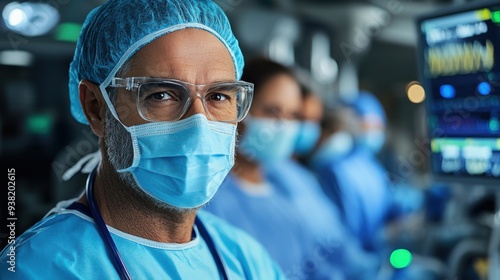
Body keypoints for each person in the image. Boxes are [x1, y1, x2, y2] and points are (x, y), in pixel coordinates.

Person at [0, 1, 285, 279]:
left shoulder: (242, 256)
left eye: (218, 96)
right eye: (161, 95)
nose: (199, 124)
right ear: (96, 109)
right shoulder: (37, 268)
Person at [205, 59, 377, 280]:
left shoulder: (291, 181)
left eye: (293, 115)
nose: (283, 125)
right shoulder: (211, 196)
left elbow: (331, 257)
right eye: (272, 111)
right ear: (237, 107)